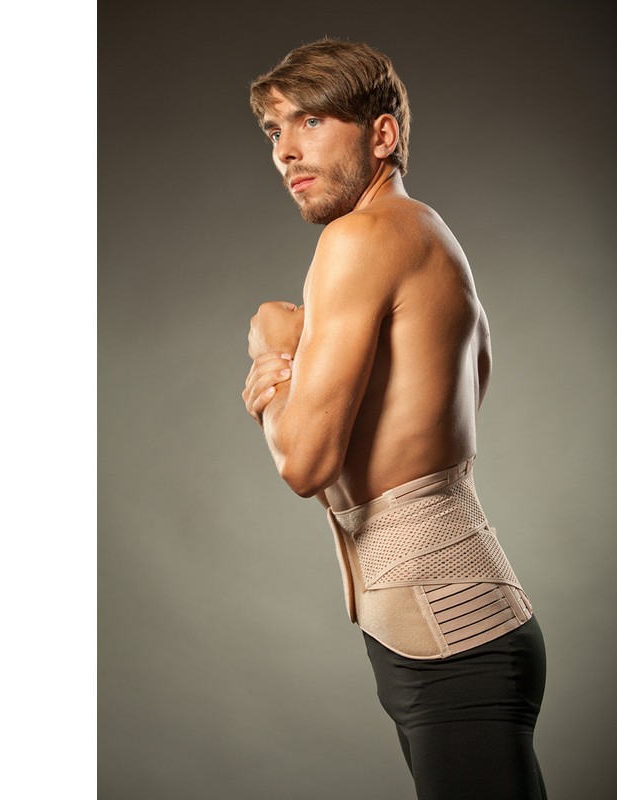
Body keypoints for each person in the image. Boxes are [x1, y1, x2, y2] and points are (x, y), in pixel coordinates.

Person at [242, 38, 547, 799]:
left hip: (448, 638)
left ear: (382, 135)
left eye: (311, 121)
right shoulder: (426, 235)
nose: (285, 150)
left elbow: (305, 464)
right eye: (275, 130)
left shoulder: (362, 236)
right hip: (453, 626)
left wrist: (272, 361)